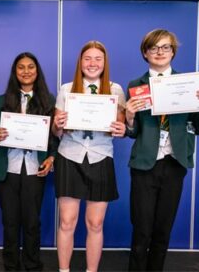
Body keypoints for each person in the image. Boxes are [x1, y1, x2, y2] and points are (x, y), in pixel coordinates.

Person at [124, 29, 199, 271]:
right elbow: (133, 131)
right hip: (145, 164)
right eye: (154, 48)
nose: (160, 52)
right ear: (145, 53)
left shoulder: (188, 84)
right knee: (142, 230)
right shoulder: (135, 85)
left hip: (175, 162)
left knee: (162, 229)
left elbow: (197, 128)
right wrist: (128, 117)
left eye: (165, 47)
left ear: (173, 52)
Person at [51, 40, 126, 272]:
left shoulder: (115, 90)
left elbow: (121, 129)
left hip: (100, 157)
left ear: (104, 63)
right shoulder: (66, 89)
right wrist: (58, 124)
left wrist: (122, 129)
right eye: (87, 58)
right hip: (69, 156)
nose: (92, 63)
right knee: (67, 222)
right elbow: (57, 132)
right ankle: (64, 270)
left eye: (97, 59)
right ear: (80, 62)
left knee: (95, 223)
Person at [0, 53, 57, 271]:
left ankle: (33, 265)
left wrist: (52, 157)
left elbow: (54, 137)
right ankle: (11, 266)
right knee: (10, 222)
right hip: (8, 168)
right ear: (15, 72)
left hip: (35, 168)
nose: (26, 71)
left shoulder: (49, 100)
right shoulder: (3, 100)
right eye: (21, 67)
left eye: (31, 67)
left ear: (37, 71)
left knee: (32, 222)